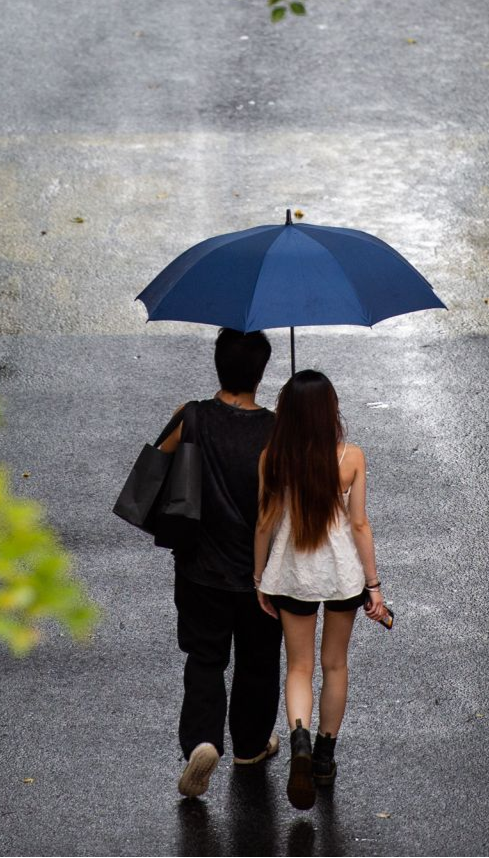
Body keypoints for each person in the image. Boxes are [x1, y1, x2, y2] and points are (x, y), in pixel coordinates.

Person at [252, 370, 390, 811]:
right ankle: (325, 758)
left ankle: (299, 743)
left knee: (298, 668)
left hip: (292, 576)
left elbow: (264, 523)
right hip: (342, 577)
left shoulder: (272, 457)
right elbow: (360, 524)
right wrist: (374, 585)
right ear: (331, 411)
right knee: (334, 665)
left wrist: (259, 578)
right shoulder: (351, 457)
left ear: (286, 413)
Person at [158, 328, 284, 799]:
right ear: (263, 370)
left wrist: (184, 425)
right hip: (262, 573)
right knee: (258, 660)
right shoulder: (276, 430)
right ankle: (251, 746)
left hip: (199, 567)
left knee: (205, 658)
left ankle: (203, 742)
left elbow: (155, 465)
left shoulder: (191, 417)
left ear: (217, 364)